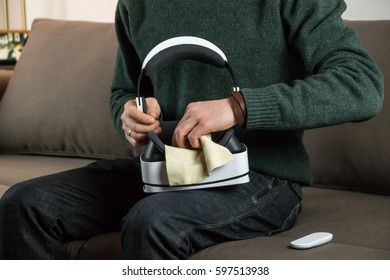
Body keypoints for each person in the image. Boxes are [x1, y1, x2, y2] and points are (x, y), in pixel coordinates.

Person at [0, 0, 383, 259]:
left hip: (262, 176)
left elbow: (362, 86)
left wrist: (239, 107)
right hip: (166, 171)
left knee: (152, 222)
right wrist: (131, 113)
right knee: (24, 204)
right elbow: (124, 91)